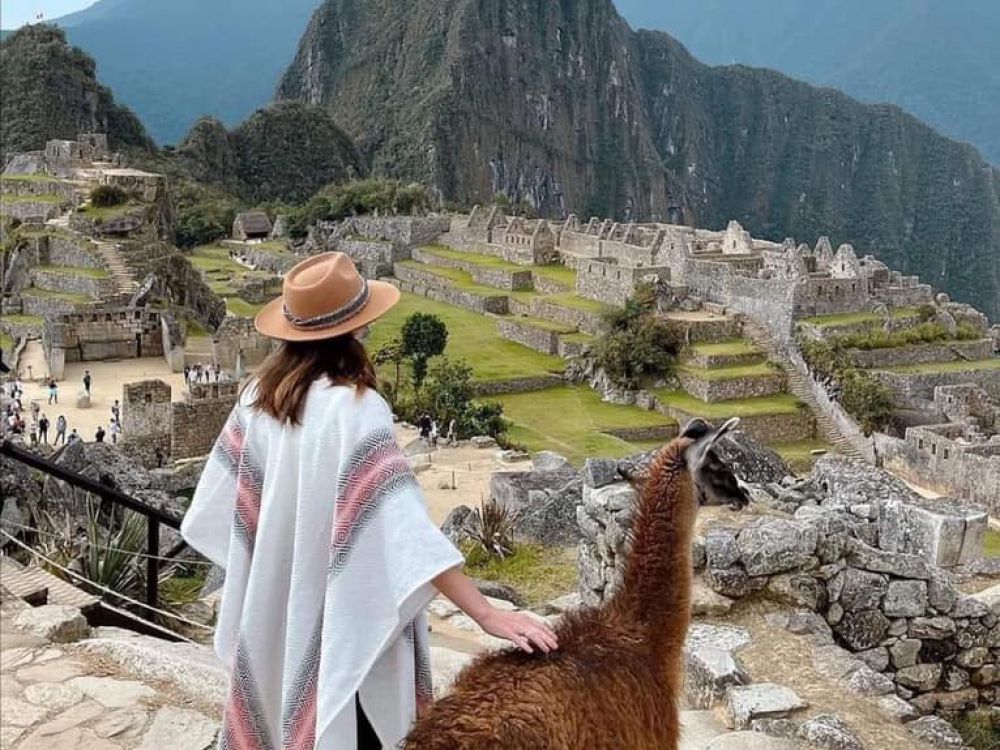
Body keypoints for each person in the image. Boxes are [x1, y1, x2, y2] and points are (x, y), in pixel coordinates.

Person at [181, 253, 556, 750]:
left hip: (275, 612)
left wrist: (276, 579)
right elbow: (408, 537)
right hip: (346, 618)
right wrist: (487, 614)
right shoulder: (357, 410)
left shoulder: (256, 400)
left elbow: (226, 507)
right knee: (350, 724)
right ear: (355, 329)